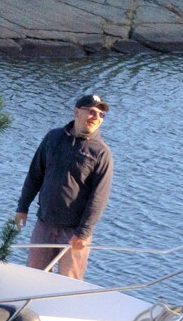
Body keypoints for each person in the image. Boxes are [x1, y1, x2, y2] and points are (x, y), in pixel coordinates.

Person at [14, 93, 114, 278]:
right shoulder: (53, 138)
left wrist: (83, 233)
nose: (96, 118)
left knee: (69, 286)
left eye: (101, 115)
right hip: (45, 223)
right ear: (77, 112)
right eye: (92, 112)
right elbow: (35, 173)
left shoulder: (101, 153)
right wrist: (23, 207)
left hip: (74, 232)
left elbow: (98, 198)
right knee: (33, 278)